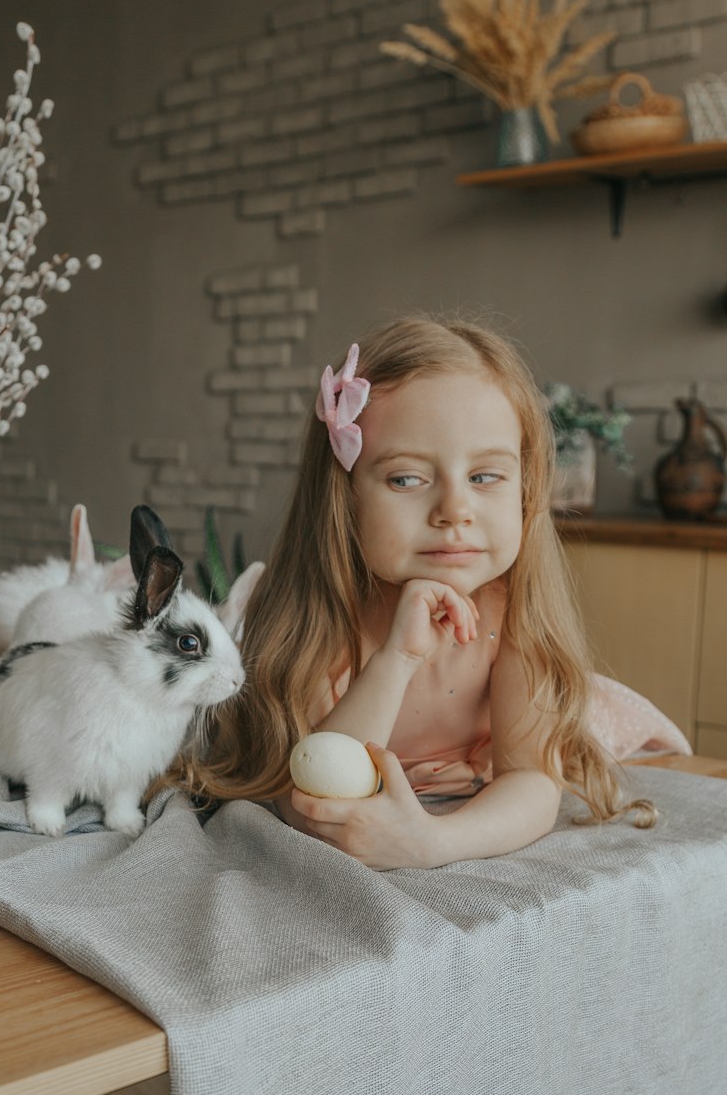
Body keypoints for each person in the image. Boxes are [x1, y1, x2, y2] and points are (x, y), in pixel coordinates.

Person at [174, 314, 689, 870]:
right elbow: (317, 790)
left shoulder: (513, 611)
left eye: (485, 476)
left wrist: (434, 843)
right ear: (343, 499)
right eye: (406, 479)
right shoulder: (320, 614)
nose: (454, 512)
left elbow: (531, 782)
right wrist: (397, 658)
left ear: (526, 487)